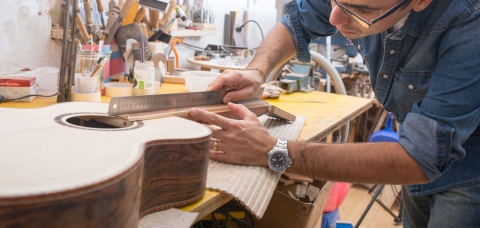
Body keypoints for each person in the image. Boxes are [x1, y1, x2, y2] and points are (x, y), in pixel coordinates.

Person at [189, 0, 480, 227]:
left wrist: (272, 151)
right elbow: (297, 23)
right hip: (417, 142)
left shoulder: (469, 20)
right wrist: (256, 71)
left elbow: (420, 158)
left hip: (470, 164)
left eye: (361, 10)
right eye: (334, 2)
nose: (334, 20)